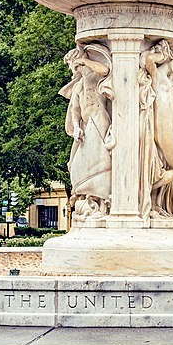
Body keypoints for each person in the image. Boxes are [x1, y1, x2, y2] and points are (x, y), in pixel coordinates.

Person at [59, 43, 114, 221]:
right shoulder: (77, 86)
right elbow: (75, 111)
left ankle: (103, 200)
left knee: (102, 160)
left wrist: (84, 60)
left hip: (99, 121)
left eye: (74, 65)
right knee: (72, 164)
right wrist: (76, 127)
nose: (73, 69)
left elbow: (106, 70)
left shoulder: (96, 77)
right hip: (84, 126)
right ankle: (86, 196)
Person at [139, 39, 173, 219]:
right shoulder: (158, 77)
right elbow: (148, 61)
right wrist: (163, 55)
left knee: (168, 168)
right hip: (163, 130)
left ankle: (152, 202)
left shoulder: (168, 84)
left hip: (166, 130)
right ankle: (142, 188)